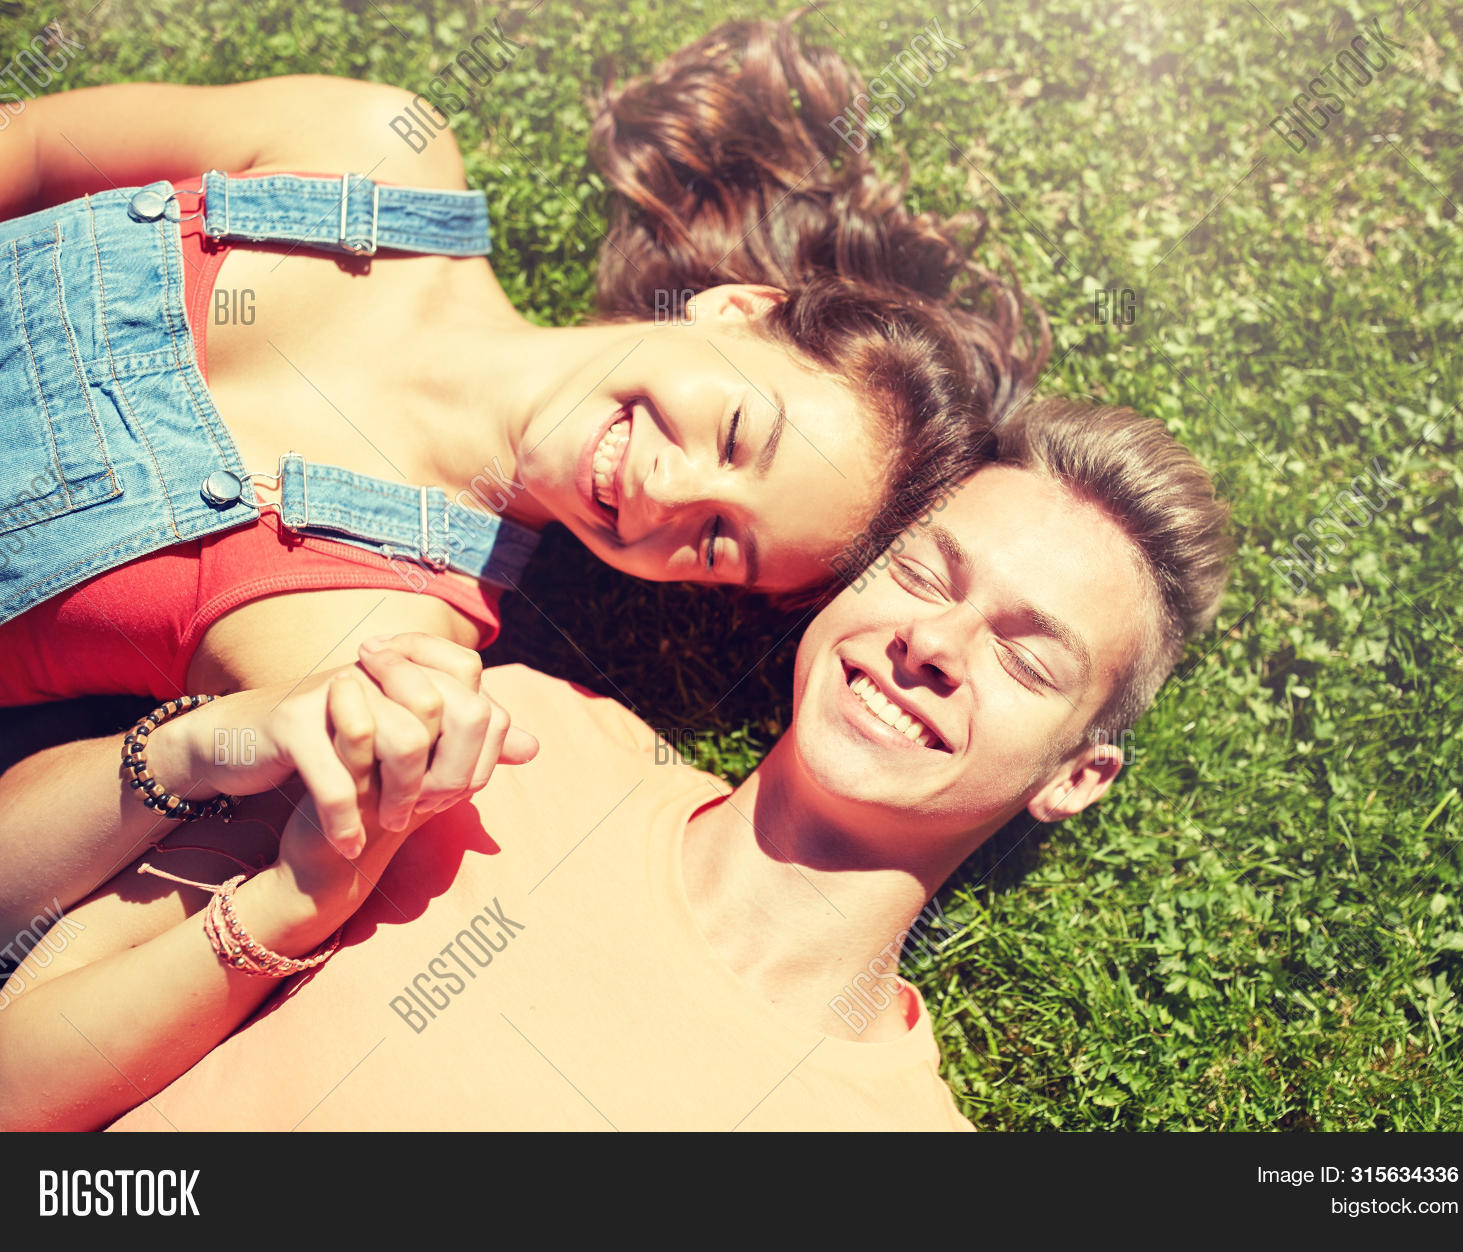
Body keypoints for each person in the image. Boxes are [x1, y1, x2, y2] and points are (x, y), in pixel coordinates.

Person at [0, 14, 1047, 941]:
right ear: (735, 311)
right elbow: (38, 147)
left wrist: (200, 751)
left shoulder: (376, 634)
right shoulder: (372, 155)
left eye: (720, 541)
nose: (670, 493)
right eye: (735, 434)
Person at [0, 396, 1232, 1131]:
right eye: (923, 572)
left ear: (1075, 777)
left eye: (1026, 656)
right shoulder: (504, 741)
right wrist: (222, 760)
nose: (935, 646)